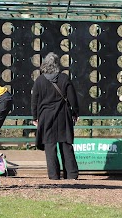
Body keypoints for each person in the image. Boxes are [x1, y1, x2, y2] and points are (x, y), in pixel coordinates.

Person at [31, 52, 79, 180]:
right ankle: (71, 174)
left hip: (45, 116)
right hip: (63, 115)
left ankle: (53, 175)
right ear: (58, 64)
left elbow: (34, 101)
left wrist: (35, 117)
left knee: (49, 146)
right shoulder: (64, 78)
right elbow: (72, 98)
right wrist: (75, 113)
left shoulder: (39, 80)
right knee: (66, 144)